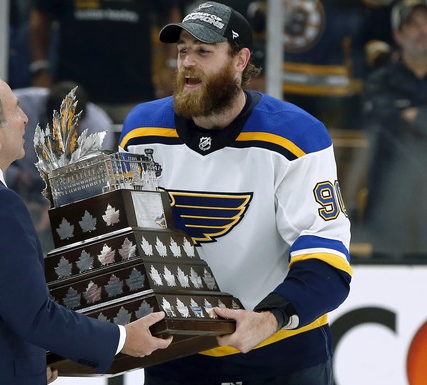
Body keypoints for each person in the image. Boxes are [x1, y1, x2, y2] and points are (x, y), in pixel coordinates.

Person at [0, 70, 172, 385]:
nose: (25, 119)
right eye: (15, 110)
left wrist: (25, 360)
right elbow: (33, 316)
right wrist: (123, 338)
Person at [119, 2, 352, 384]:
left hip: (281, 350)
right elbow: (132, 239)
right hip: (179, 350)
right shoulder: (142, 130)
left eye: (204, 51)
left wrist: (269, 318)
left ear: (240, 60)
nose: (187, 62)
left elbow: (328, 262)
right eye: (182, 51)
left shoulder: (296, 136)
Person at [28, 0, 181, 124]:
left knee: (134, 157)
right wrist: (40, 67)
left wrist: (171, 65)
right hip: (76, 94)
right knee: (71, 160)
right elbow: (40, 19)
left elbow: (170, 14)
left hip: (133, 91)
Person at [7, 81, 117, 253]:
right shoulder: (17, 106)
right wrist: (13, 176)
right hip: (19, 184)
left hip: (69, 194)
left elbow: (90, 185)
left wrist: (53, 208)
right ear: (46, 113)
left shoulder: (99, 128)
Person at [362, 0, 427, 258]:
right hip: (390, 201)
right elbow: (381, 122)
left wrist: (413, 116)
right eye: (414, 24)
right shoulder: (380, 81)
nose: (423, 31)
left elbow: (400, 121)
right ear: (397, 34)